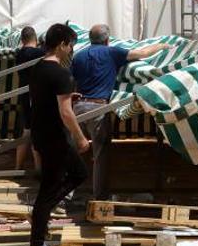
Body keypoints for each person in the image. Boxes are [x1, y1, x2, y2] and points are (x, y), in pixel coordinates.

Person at [71, 25, 170, 200]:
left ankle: (65, 196)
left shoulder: (78, 56)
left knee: (72, 152)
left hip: (77, 107)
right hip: (98, 108)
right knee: (100, 154)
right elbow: (142, 53)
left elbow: (72, 80)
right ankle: (100, 197)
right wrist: (162, 46)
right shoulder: (112, 52)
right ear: (107, 40)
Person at [29, 24, 90, 246]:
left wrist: (67, 95)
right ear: (62, 44)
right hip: (55, 137)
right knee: (50, 189)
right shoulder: (62, 74)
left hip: (40, 134)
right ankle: (37, 242)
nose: (71, 50)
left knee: (77, 174)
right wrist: (81, 138)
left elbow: (43, 98)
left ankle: (41, 214)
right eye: (70, 45)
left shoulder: (38, 68)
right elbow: (66, 113)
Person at [14, 26, 43, 172]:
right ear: (35, 38)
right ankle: (38, 169)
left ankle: (18, 166)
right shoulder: (38, 53)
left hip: (24, 95)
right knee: (35, 132)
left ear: (22, 39)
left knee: (26, 131)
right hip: (36, 96)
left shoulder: (19, 54)